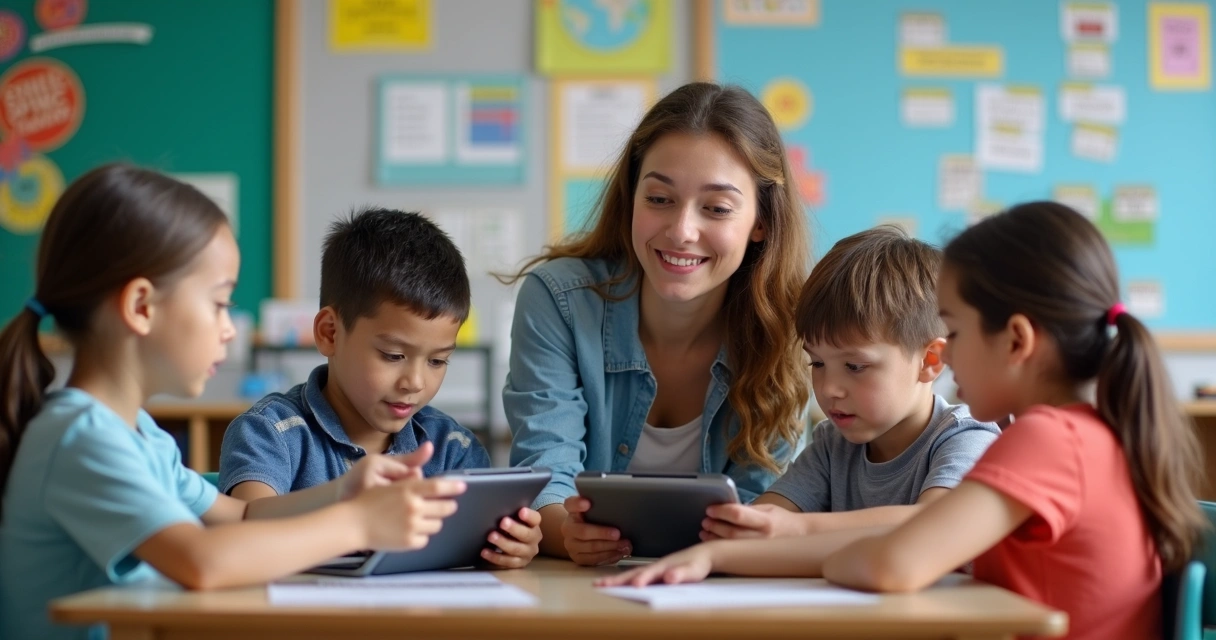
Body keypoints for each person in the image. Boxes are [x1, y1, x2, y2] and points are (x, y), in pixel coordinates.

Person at [0, 165, 465, 640]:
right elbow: (203, 562)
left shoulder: (135, 433)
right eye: (220, 304)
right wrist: (360, 524)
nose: (229, 328)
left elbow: (242, 515)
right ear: (141, 307)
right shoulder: (83, 437)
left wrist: (346, 491)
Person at [503, 82, 811, 566]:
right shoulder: (559, 300)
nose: (681, 231)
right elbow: (546, 471)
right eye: (659, 198)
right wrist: (568, 532)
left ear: (761, 223)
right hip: (580, 588)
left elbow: (764, 501)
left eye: (716, 208)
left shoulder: (789, 329)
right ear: (632, 198)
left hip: (720, 594)